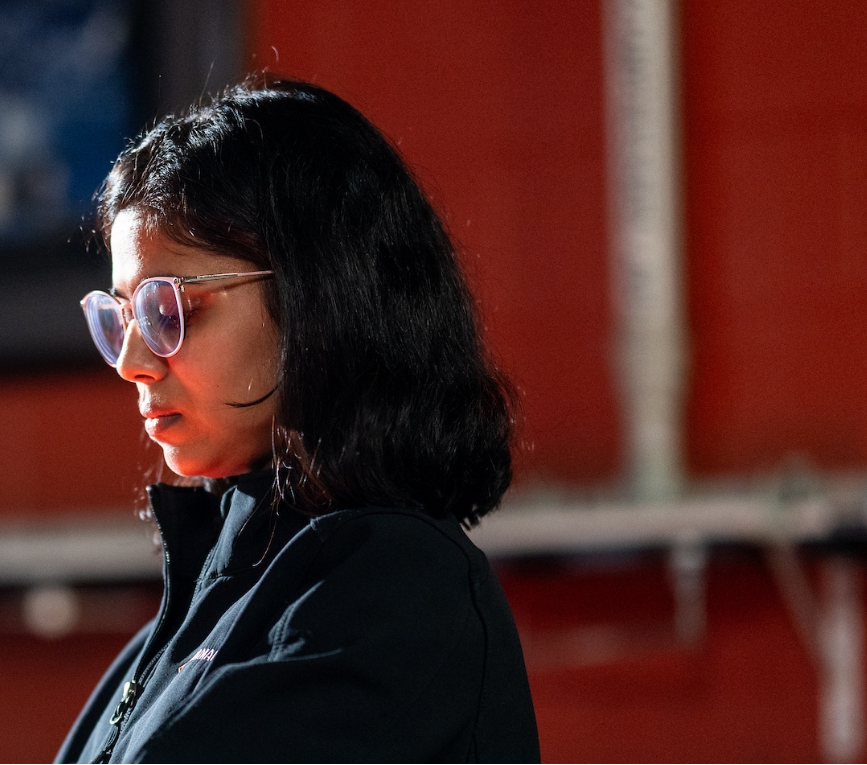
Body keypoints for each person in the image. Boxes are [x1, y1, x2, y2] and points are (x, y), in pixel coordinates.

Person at [57, 79, 539, 763]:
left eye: (171, 312)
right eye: (121, 318)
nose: (132, 361)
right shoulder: (207, 604)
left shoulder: (396, 592)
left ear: (317, 300)